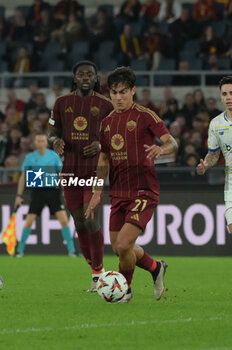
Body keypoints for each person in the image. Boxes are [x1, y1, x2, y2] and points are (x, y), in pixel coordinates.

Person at [85, 67, 178, 303]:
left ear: (133, 91)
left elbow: (172, 142)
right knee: (119, 248)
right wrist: (97, 193)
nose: (118, 97)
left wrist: (162, 148)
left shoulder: (146, 116)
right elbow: (104, 159)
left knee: (125, 243)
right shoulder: (106, 123)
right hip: (118, 192)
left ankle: (124, 291)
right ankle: (156, 267)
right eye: (114, 92)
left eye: (123, 92)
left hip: (144, 191)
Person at [48, 60, 113, 291]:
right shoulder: (61, 103)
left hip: (95, 170)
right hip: (70, 171)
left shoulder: (106, 105)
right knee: (78, 219)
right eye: (81, 74)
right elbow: (51, 134)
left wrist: (99, 145)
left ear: (96, 79)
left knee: (90, 216)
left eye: (90, 74)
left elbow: (116, 136)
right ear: (75, 78)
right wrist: (56, 141)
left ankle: (98, 273)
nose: (85, 77)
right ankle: (94, 268)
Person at [14, 131, 76, 257]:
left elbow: (60, 175)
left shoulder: (54, 156)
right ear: (35, 143)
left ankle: (72, 251)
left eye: (43, 140)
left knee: (64, 220)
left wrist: (65, 191)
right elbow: (23, 177)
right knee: (29, 221)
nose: (41, 143)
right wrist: (18, 196)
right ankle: (20, 251)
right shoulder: (30, 157)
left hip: (53, 191)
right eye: (39, 140)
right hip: (37, 192)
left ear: (46, 143)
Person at [196, 76, 232, 233]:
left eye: (231, 93)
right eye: (224, 94)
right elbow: (213, 155)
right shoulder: (216, 124)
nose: (228, 97)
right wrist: (206, 164)